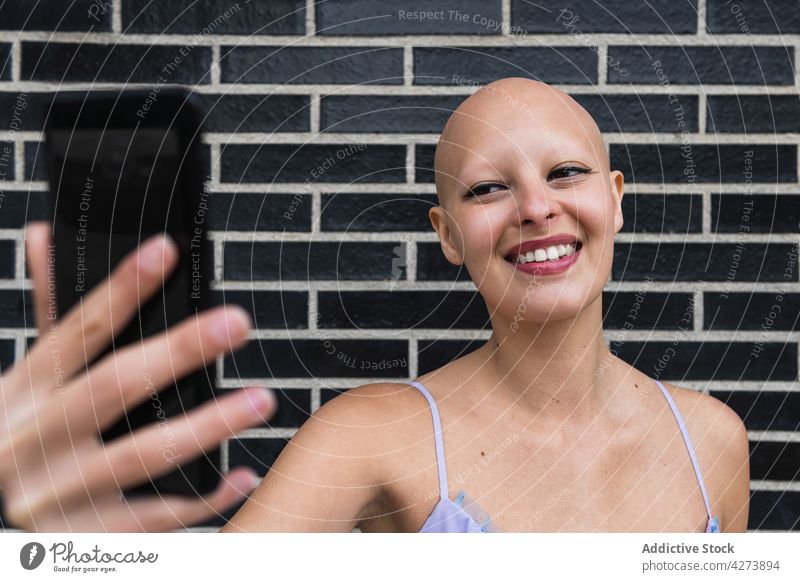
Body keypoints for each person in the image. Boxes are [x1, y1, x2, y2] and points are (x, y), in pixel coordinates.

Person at [0, 77, 750, 533]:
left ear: (614, 201)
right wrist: (66, 552)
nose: (534, 206)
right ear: (449, 235)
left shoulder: (714, 443)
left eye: (566, 172)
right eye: (488, 188)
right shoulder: (368, 435)